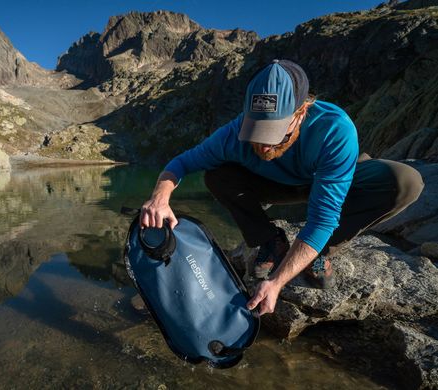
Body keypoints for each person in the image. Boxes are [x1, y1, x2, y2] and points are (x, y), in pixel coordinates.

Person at [140, 59, 424, 316]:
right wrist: (159, 198)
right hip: (279, 184)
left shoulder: (334, 129)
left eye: (274, 134)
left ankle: (325, 249)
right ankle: (270, 240)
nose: (263, 145)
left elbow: (323, 218)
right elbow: (181, 163)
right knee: (216, 175)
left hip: (329, 177)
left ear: (301, 112)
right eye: (256, 132)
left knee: (405, 182)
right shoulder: (233, 133)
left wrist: (276, 283)